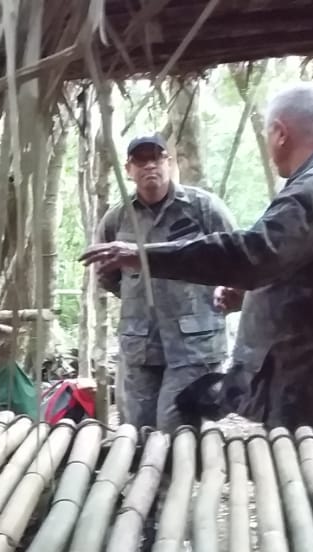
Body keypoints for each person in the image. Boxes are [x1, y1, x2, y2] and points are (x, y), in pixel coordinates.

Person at [83, 83, 313, 431]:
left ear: (280, 133)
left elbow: (251, 253)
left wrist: (142, 256)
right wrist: (252, 294)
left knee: (309, 479)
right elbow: (309, 275)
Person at [95, 135, 234, 430]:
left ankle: (180, 477)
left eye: (156, 158)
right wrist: (141, 296)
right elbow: (106, 275)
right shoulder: (117, 219)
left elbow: (237, 257)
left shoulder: (204, 209)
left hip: (195, 344)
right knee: (138, 430)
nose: (150, 166)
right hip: (141, 343)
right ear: (129, 169)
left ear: (168, 163)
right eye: (140, 160)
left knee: (176, 429)